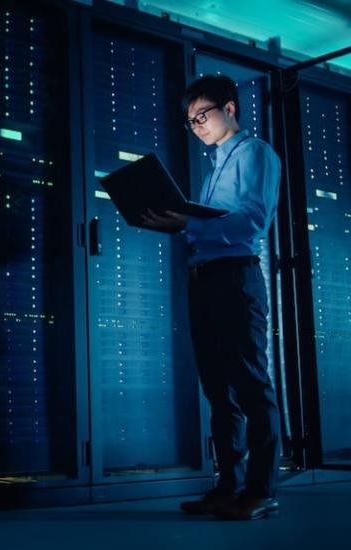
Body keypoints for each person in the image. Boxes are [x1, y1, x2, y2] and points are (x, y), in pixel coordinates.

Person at [141, 75, 282, 520]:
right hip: (205, 279)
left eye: (202, 114)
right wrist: (175, 220)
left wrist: (186, 224)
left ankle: (261, 490)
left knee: (250, 385)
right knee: (218, 391)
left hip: (235, 280)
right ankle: (228, 487)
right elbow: (207, 226)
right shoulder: (213, 168)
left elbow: (250, 224)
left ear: (230, 108)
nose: (196, 124)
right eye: (190, 120)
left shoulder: (255, 153)